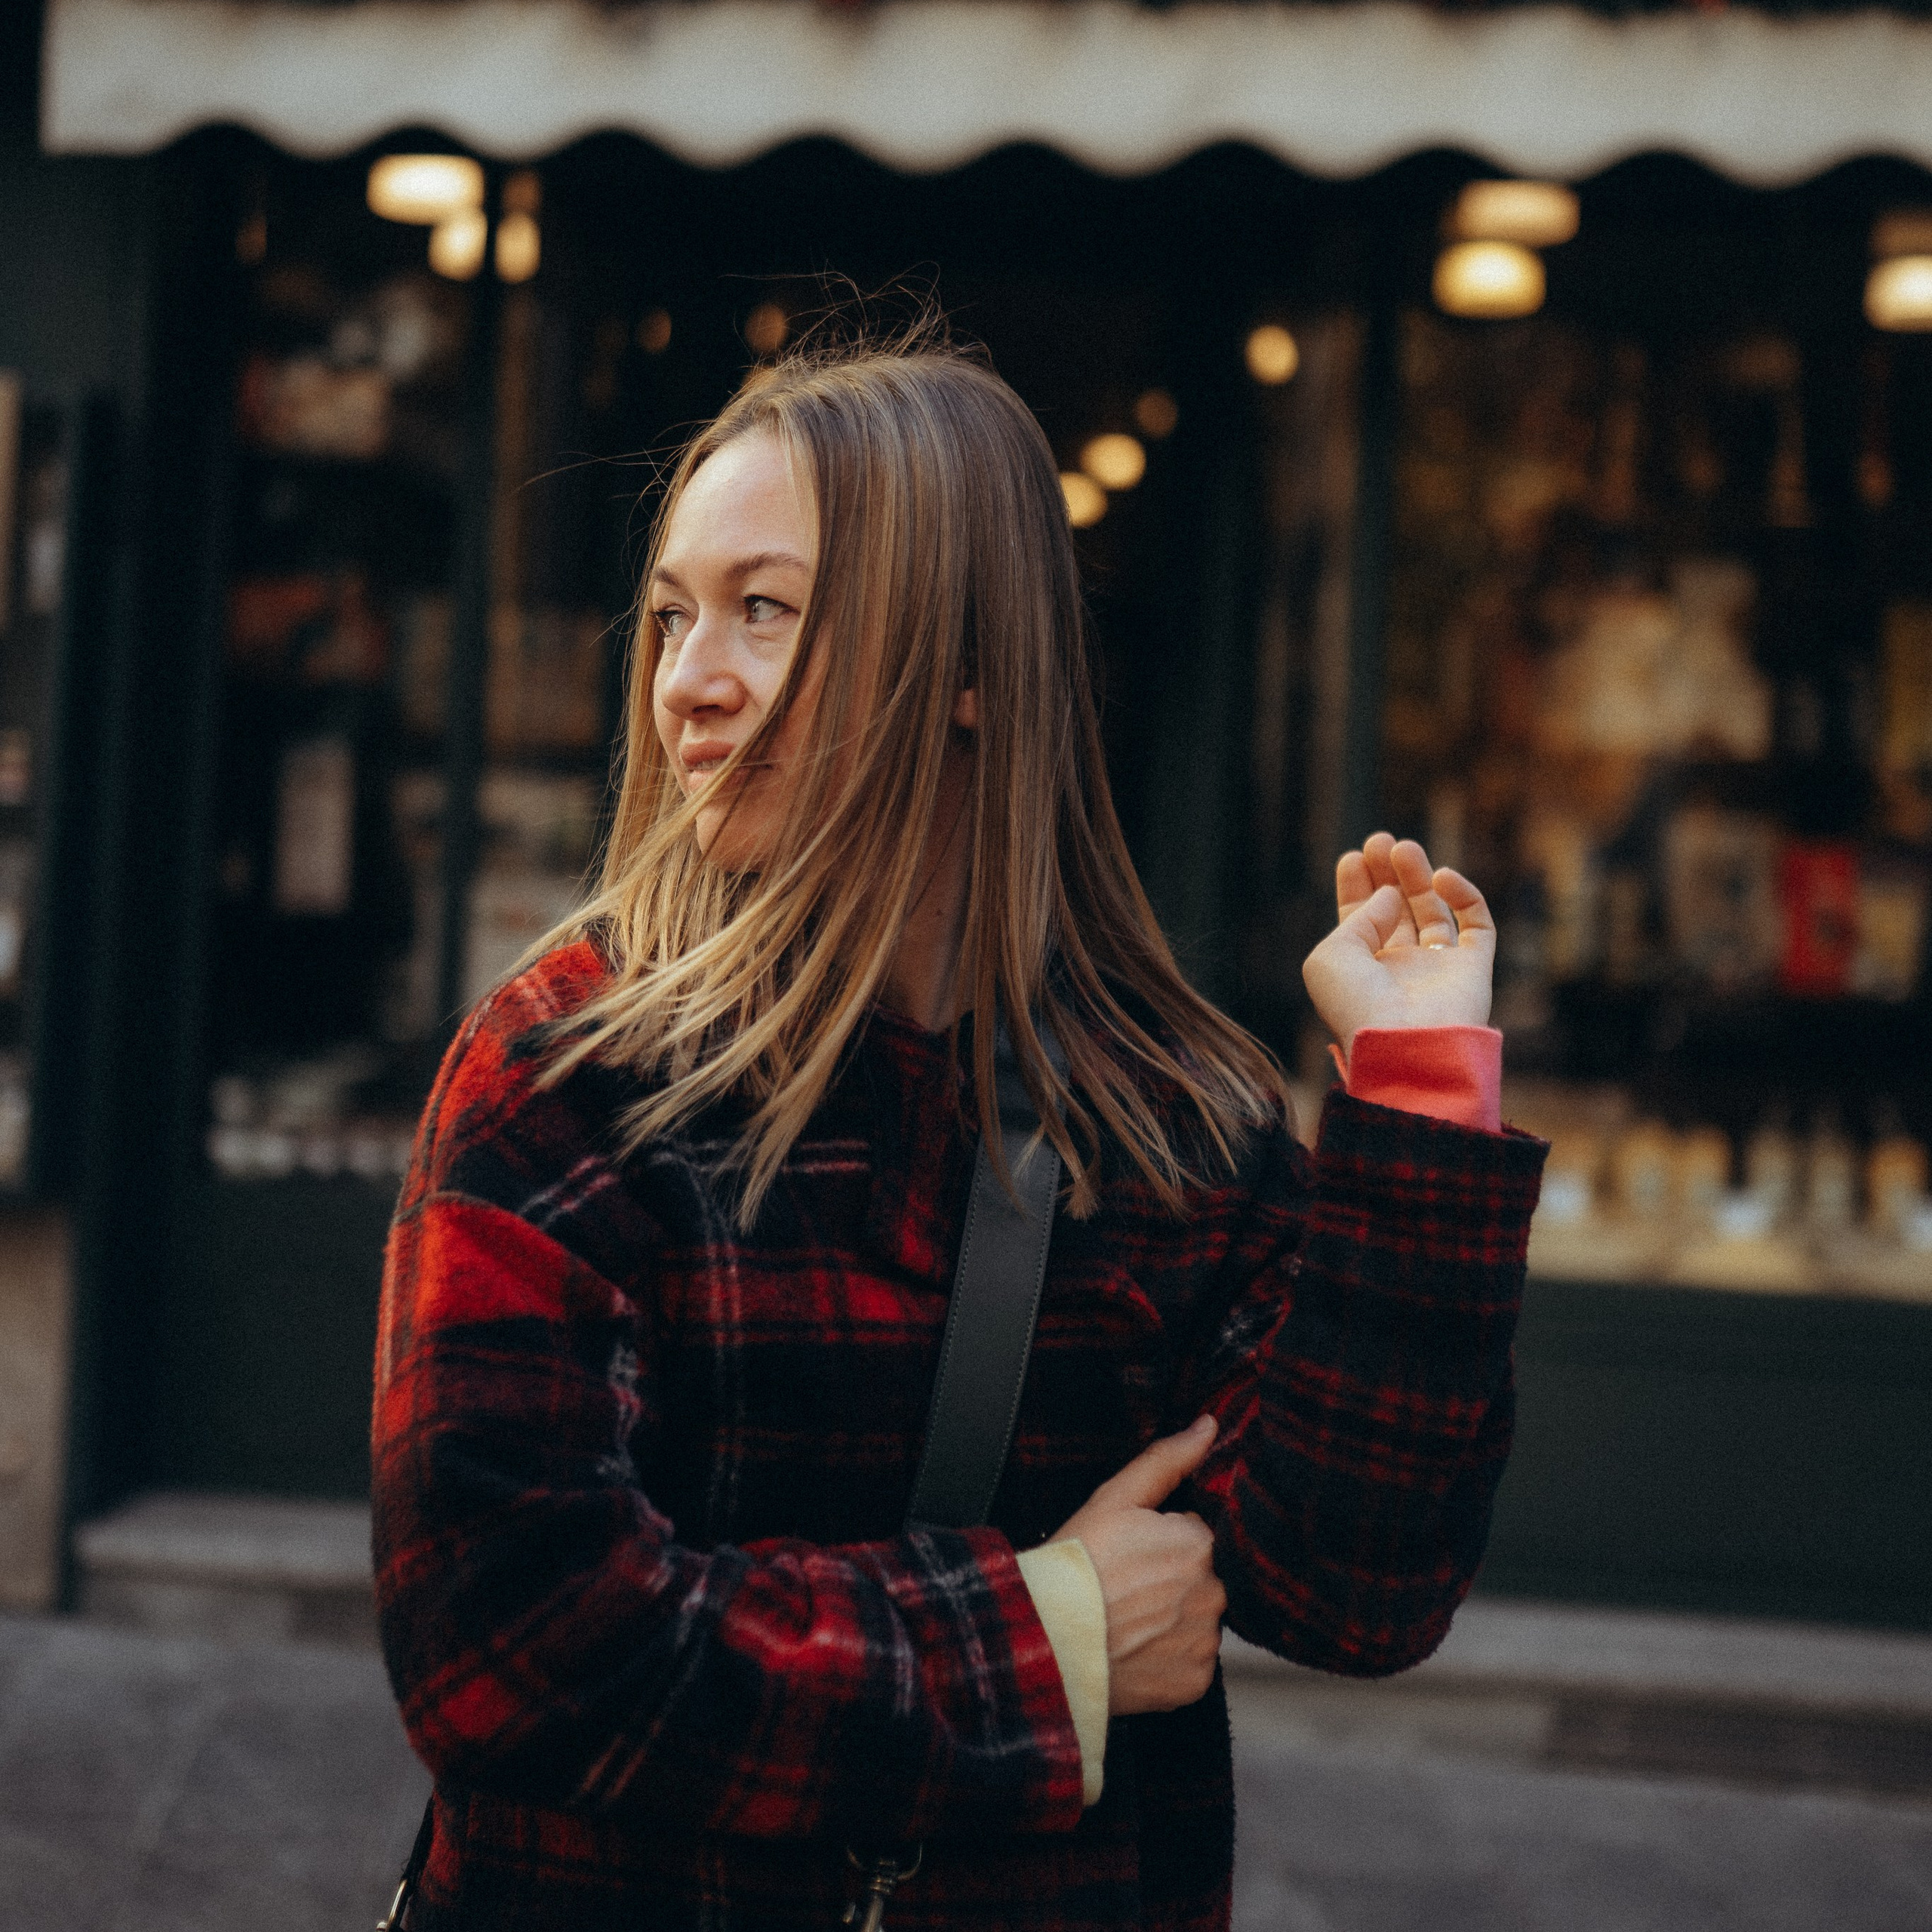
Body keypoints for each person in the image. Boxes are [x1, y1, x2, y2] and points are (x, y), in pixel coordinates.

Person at [372, 326, 1546, 1932]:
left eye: (763, 610)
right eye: (670, 614)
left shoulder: (1165, 1111)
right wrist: (1044, 1636)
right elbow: (502, 1641)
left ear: (973, 668)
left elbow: (1358, 1583)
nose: (686, 680)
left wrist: (1417, 1085)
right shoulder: (567, 1073)